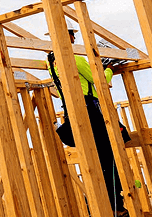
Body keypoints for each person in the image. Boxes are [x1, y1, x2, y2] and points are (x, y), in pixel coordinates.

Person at [47, 24, 129, 216]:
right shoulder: (75, 58)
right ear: (68, 37)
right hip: (90, 112)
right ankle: (115, 206)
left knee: (93, 160)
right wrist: (107, 69)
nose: (75, 39)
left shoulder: (51, 63)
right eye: (72, 36)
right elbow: (99, 80)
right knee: (110, 153)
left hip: (72, 113)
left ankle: (95, 204)